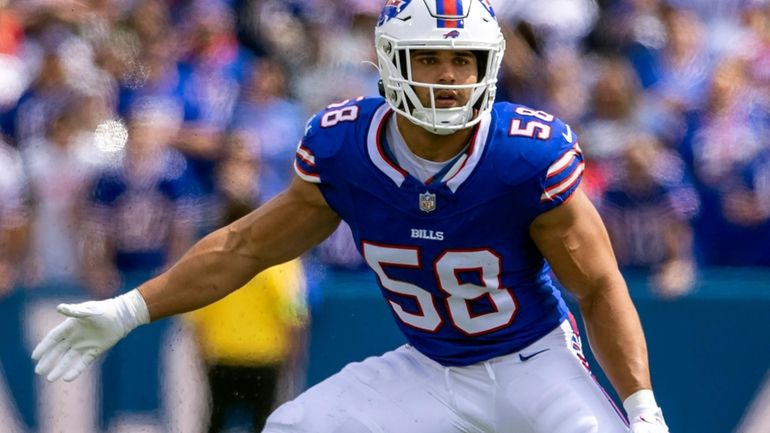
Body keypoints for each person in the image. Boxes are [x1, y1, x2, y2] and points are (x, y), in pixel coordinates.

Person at [31, 1, 670, 432]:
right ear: (393, 62)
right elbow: (246, 246)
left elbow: (598, 284)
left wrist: (642, 408)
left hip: (534, 361)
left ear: (488, 66)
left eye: (462, 60)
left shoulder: (524, 154)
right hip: (429, 364)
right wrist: (129, 309)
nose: (449, 77)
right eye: (430, 58)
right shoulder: (345, 150)